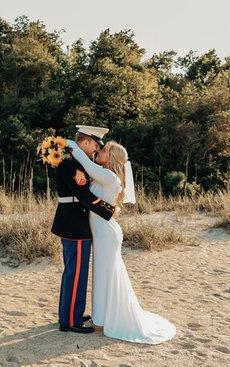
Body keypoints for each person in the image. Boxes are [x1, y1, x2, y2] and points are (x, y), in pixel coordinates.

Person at [66, 138, 177, 344]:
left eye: (105, 149)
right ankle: (100, 319)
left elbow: (87, 164)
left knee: (106, 274)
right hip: (101, 233)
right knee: (102, 274)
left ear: (112, 158)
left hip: (106, 235)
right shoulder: (104, 176)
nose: (100, 150)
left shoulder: (109, 176)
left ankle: (103, 321)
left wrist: (70, 143)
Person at [51, 125, 116, 334]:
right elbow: (84, 195)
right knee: (76, 273)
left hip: (72, 222)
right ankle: (70, 320)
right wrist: (109, 210)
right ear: (86, 142)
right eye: (95, 146)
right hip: (74, 224)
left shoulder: (74, 160)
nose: (95, 151)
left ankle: (70, 313)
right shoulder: (72, 163)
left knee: (74, 272)